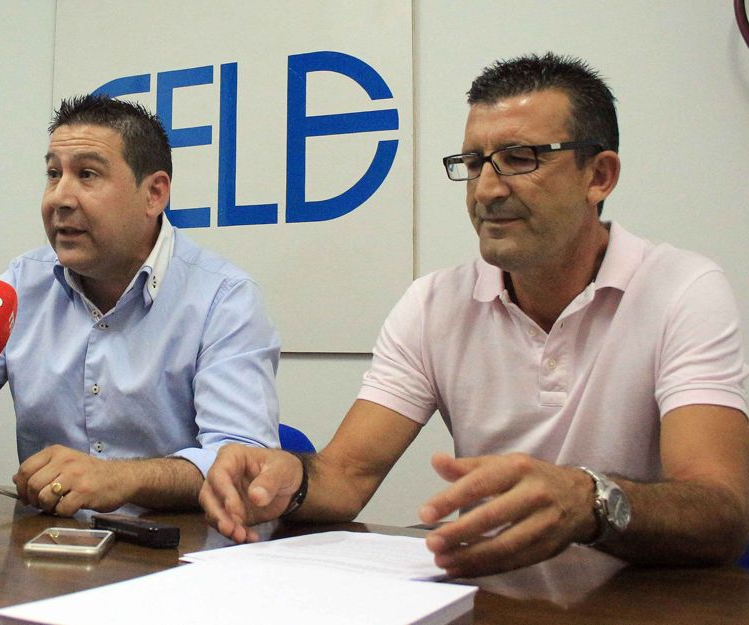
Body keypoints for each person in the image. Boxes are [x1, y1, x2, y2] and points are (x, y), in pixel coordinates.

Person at [200, 52, 749, 577]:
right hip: (484, 597)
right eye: (473, 162)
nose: (485, 189)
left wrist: (591, 500)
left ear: (599, 176)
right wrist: (288, 477)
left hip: (644, 604)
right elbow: (345, 475)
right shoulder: (434, 303)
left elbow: (722, 512)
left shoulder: (682, 290)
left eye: (520, 158)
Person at [0, 94, 280, 515]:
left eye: (87, 174)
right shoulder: (22, 284)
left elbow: (242, 460)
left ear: (154, 194)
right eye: (53, 174)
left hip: (177, 558)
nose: (60, 197)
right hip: (43, 552)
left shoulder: (223, 298)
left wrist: (122, 478)